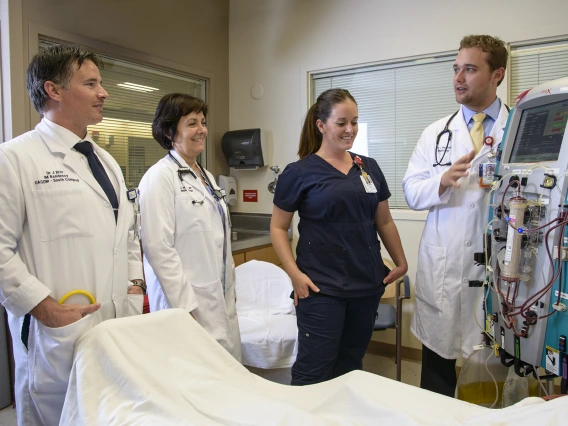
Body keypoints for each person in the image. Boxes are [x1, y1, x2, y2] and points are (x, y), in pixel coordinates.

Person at [0, 45, 145, 425]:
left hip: (112, 323)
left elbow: (127, 235)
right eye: (91, 83)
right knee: (56, 414)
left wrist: (134, 284)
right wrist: (44, 307)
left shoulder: (105, 160)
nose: (104, 93)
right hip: (57, 329)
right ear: (54, 90)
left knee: (106, 412)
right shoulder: (14, 158)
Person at [271, 88, 408, 385]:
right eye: (342, 123)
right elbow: (278, 228)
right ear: (321, 126)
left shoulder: (367, 167)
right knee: (314, 369)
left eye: (355, 122)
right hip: (320, 287)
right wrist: (294, 274)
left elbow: (383, 220)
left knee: (350, 366)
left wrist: (400, 261)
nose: (350, 130)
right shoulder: (299, 173)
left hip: (366, 285)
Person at [402, 34, 510, 397]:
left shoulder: (518, 130)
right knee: (437, 375)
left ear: (497, 74)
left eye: (470, 69)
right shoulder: (435, 134)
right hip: (445, 268)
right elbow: (412, 193)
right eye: (455, 69)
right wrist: (442, 181)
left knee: (498, 374)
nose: (458, 78)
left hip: (502, 270)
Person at [139, 93, 241, 361]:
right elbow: (157, 248)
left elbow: (217, 240)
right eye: (192, 123)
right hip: (186, 303)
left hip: (218, 295)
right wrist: (185, 306)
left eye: (203, 122)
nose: (202, 130)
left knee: (224, 371)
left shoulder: (205, 176)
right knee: (191, 376)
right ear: (171, 131)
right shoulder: (159, 178)